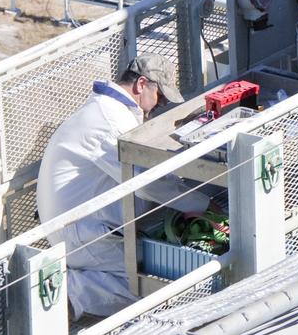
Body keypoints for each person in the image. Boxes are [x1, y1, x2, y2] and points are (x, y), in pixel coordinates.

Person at [37, 55, 213, 319]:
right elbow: (146, 183)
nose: (160, 105)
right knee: (153, 281)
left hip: (84, 226)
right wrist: (205, 206)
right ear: (142, 84)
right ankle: (67, 295)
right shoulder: (110, 121)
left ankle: (75, 283)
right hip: (78, 234)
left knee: (154, 261)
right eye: (160, 98)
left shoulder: (108, 110)